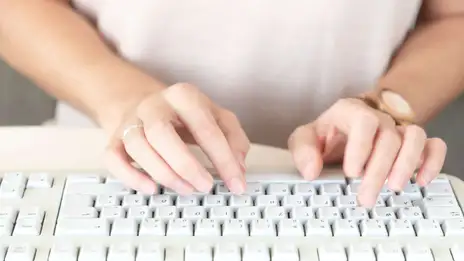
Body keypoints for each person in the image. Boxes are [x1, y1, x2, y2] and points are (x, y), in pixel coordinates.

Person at [0, 0, 462, 207]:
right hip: (113, 162)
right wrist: (125, 100)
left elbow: (453, 16)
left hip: (351, 179)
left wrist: (386, 105)